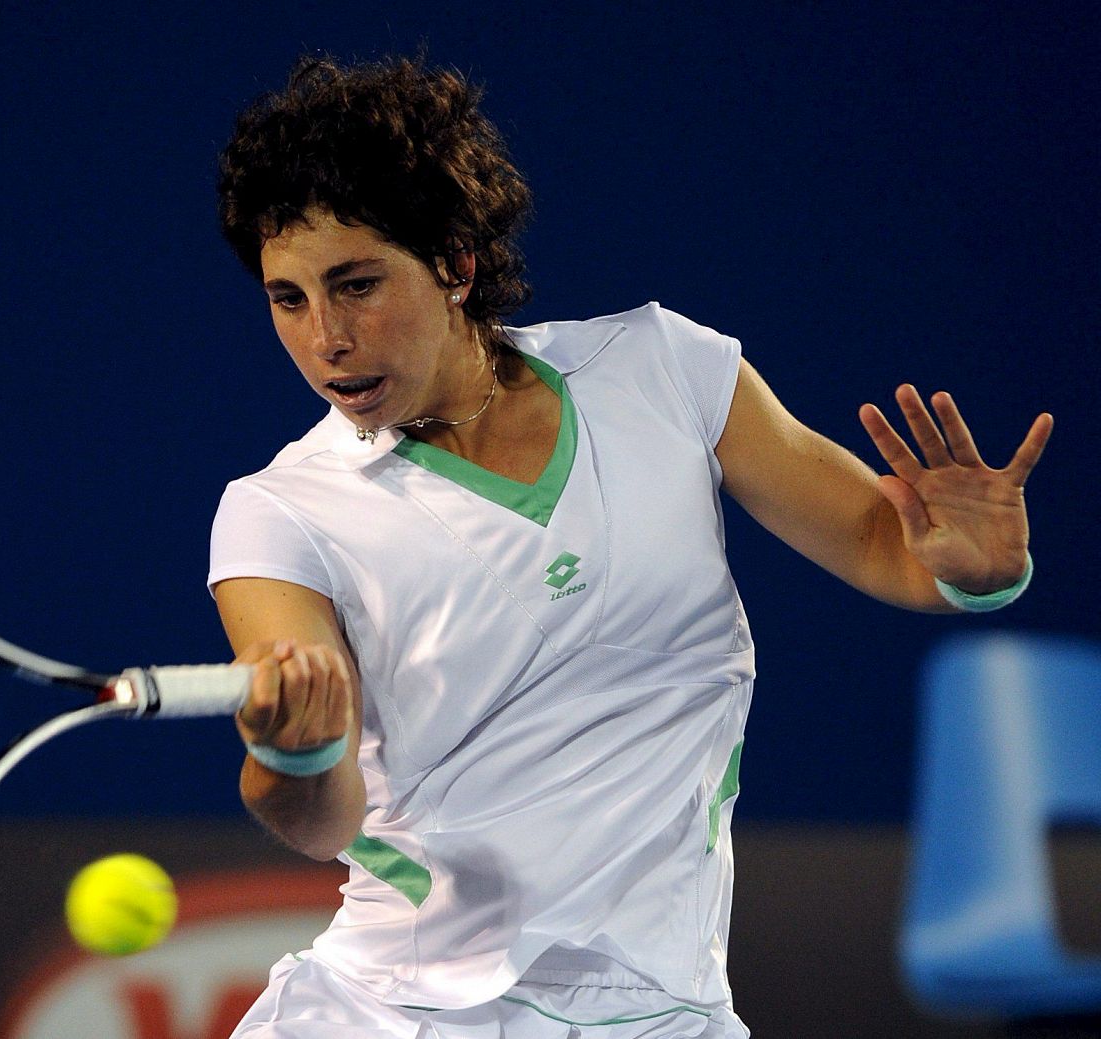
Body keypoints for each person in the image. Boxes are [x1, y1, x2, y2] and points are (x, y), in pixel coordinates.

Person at [206, 54, 1051, 1039]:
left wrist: (979, 578)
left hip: (662, 1013)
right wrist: (290, 754)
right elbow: (320, 822)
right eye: (288, 298)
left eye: (355, 285)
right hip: (392, 1014)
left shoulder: (664, 370)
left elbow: (885, 541)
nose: (326, 339)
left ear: (455, 261)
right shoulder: (280, 513)